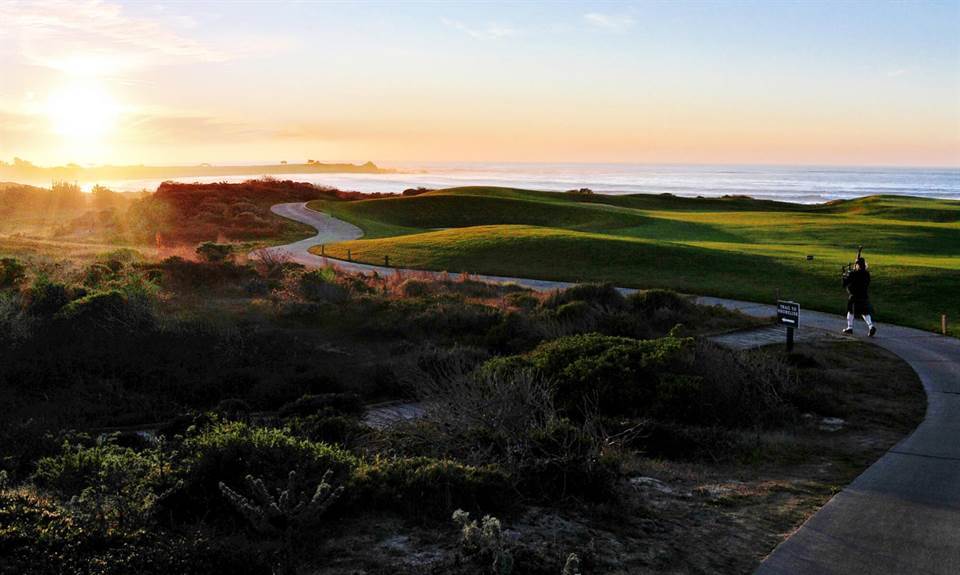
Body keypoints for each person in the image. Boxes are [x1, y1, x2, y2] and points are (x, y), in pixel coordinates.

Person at [842, 257, 876, 336]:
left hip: (854, 296)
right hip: (864, 296)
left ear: (857, 265)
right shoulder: (867, 274)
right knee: (865, 312)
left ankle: (849, 328)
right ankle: (871, 326)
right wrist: (851, 273)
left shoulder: (854, 273)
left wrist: (844, 275)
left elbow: (845, 284)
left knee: (850, 311)